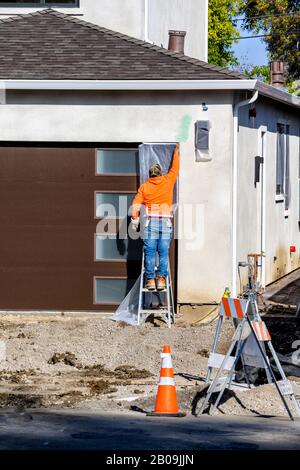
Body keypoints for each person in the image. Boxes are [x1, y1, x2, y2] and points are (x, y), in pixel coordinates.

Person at [131, 144, 180, 291]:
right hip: (165, 222)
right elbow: (175, 169)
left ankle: (151, 280)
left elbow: (136, 205)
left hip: (150, 223)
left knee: (150, 251)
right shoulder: (168, 181)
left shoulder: (145, 187)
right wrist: (176, 152)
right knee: (163, 252)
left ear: (150, 175)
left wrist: (135, 219)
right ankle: (161, 280)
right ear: (160, 173)